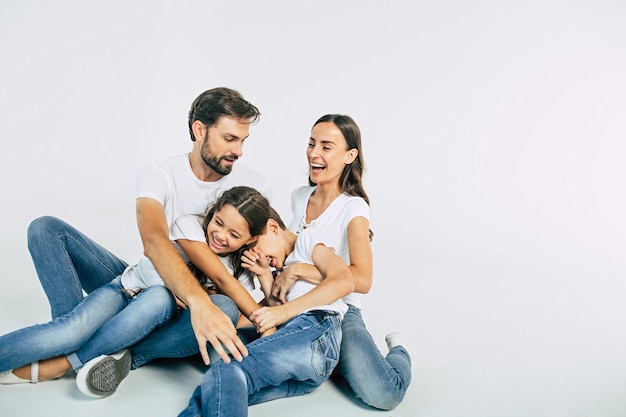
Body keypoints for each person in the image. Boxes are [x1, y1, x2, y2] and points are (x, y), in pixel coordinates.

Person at [23, 88, 271, 384]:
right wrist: (197, 298)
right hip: (147, 279)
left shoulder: (256, 187)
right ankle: (74, 336)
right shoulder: (159, 173)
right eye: (230, 139)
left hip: (180, 309)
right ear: (199, 130)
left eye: (242, 141)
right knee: (45, 228)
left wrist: (206, 301)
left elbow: (252, 261)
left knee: (225, 308)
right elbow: (154, 240)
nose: (239, 151)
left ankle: (115, 351)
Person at [0, 186, 270, 399]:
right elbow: (209, 277)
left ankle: (69, 360)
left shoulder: (242, 273)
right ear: (214, 211)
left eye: (234, 235)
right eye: (219, 222)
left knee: (202, 305)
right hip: (125, 289)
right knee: (46, 231)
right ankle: (82, 345)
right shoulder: (191, 226)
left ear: (251, 239)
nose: (220, 235)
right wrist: (196, 299)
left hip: (159, 319)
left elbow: (233, 317)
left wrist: (266, 278)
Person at [271, 114, 413, 410]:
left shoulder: (353, 207)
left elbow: (361, 280)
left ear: (350, 156)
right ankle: (331, 357)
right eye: (311, 144)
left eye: (326, 146)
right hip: (296, 304)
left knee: (385, 395)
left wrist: (298, 270)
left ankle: (400, 349)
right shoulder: (299, 197)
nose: (313, 153)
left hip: (340, 310)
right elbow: (295, 251)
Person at [179, 207, 354, 417]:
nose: (255, 253)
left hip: (316, 328)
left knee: (228, 371)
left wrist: (283, 311)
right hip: (307, 364)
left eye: (255, 245)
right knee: (216, 388)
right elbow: (274, 310)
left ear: (272, 227)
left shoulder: (305, 240)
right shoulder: (280, 269)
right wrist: (263, 274)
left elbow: (345, 281)